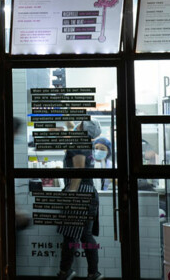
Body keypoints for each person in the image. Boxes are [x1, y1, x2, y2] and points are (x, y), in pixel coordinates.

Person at [56, 119, 103, 280]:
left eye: (80, 123)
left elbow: (78, 170)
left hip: (79, 192)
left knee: (72, 235)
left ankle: (66, 272)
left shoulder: (78, 142)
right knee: (84, 235)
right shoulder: (85, 141)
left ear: (82, 128)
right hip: (88, 192)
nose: (76, 124)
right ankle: (91, 273)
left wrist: (71, 195)